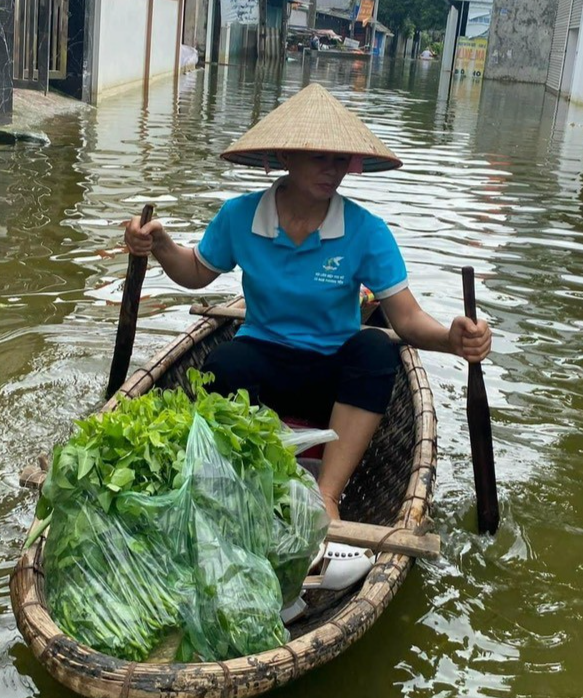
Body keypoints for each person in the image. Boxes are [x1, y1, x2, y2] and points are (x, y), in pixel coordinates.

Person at [124, 83, 492, 528]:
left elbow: (407, 319)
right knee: (221, 363)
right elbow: (196, 272)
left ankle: (327, 496)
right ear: (285, 158)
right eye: (319, 157)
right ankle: (248, 478)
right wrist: (160, 245)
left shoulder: (365, 230)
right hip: (263, 361)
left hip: (332, 379)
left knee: (376, 348)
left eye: (339, 159)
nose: (332, 170)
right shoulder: (240, 216)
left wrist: (452, 339)